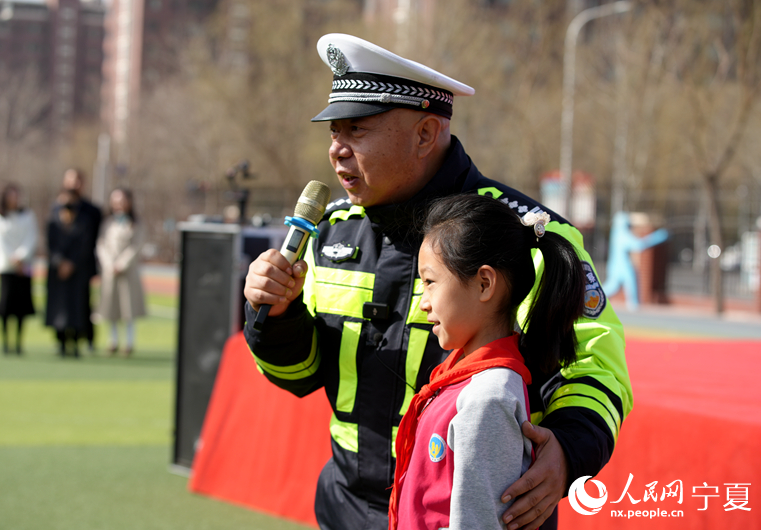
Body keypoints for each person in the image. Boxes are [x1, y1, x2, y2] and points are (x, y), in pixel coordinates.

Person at [243, 33, 631, 530]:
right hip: (346, 510)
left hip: (474, 510)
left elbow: (596, 368)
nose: (336, 150)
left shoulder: (523, 235)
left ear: (426, 135)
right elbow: (300, 375)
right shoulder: (331, 230)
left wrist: (569, 453)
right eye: (333, 131)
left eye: (356, 130)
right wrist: (276, 315)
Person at [388, 194, 586, 530]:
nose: (422, 303)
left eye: (430, 282)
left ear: (484, 283)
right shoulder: (461, 379)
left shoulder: (488, 399)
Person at [0, 183, 38, 355]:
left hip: (24, 267)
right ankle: (5, 343)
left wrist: (21, 257)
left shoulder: (28, 216)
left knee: (22, 307)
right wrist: (12, 259)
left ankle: (19, 344)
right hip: (6, 267)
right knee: (6, 306)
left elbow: (31, 237)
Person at [54, 168, 102, 351]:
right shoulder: (56, 207)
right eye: (70, 180)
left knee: (83, 304)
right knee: (61, 303)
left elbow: (92, 239)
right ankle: (61, 339)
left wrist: (75, 261)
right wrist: (60, 261)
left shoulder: (92, 211)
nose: (74, 185)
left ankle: (87, 338)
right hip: (61, 266)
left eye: (78, 181)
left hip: (83, 265)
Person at [96, 188, 146, 356]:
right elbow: (101, 245)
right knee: (112, 307)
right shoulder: (107, 223)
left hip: (127, 272)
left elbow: (136, 247)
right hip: (110, 271)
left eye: (122, 200)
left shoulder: (136, 223)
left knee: (128, 307)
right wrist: (110, 264)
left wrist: (121, 264)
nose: (119, 204)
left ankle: (129, 342)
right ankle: (113, 340)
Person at [46, 189, 91, 357]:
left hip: (77, 272)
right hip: (58, 273)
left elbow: (84, 246)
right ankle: (61, 342)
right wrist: (60, 262)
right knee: (59, 308)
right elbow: (51, 246)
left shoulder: (83, 222)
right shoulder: (53, 221)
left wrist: (72, 263)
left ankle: (76, 342)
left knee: (77, 307)